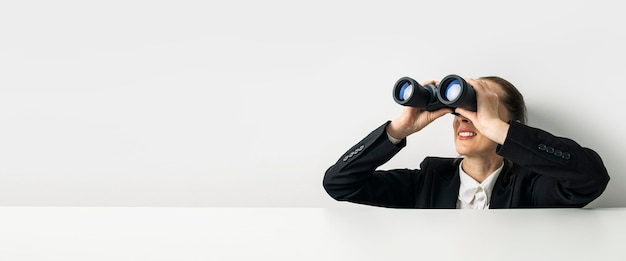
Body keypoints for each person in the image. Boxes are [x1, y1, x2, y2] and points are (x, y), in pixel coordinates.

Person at [323, 76, 610, 208]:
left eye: (478, 109)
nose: (465, 119)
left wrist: (495, 128)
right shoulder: (427, 183)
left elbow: (591, 178)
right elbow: (339, 184)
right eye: (459, 111)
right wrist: (399, 129)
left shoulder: (531, 187)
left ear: (510, 126)